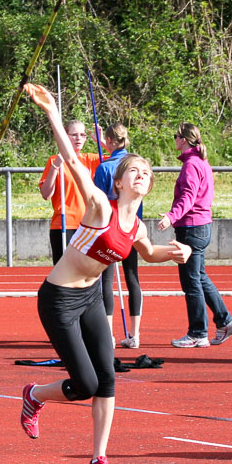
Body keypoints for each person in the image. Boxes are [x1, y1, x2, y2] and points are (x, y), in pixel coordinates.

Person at [19, 84, 192, 464]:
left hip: (93, 299)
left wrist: (175, 252)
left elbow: (147, 252)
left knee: (108, 379)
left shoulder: (138, 226)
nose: (142, 175)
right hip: (59, 299)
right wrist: (52, 112)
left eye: (148, 173)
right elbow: (72, 161)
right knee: (85, 384)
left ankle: (98, 458)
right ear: (119, 181)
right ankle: (34, 395)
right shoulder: (100, 206)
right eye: (135, 169)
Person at [157, 123, 232, 348]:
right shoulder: (200, 162)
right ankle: (224, 320)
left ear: (184, 139)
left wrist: (171, 217)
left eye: (176, 136)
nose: (174, 140)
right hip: (201, 226)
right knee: (199, 277)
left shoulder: (191, 165)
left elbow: (188, 196)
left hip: (192, 228)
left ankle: (197, 332)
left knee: (191, 281)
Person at [93, 124, 144, 348]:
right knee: (132, 278)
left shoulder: (105, 168)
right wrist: (105, 143)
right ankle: (135, 334)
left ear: (111, 141)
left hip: (110, 228)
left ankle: (108, 336)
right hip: (133, 227)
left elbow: (96, 200)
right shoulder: (137, 166)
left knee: (106, 280)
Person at [38, 120, 101, 264]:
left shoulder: (91, 160)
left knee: (88, 272)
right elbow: (46, 194)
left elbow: (121, 158)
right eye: (74, 135)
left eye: (82, 135)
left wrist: (101, 141)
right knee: (64, 273)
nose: (78, 138)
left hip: (89, 223)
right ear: (65, 137)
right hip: (65, 224)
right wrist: (55, 167)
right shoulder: (55, 160)